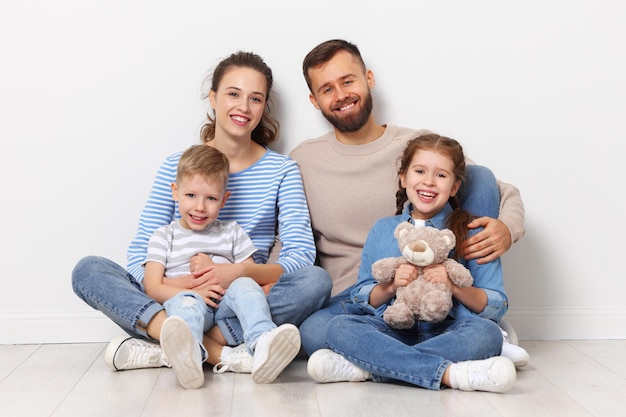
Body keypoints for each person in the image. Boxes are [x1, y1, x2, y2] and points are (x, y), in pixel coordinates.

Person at [71, 51, 332, 379]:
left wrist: (240, 273)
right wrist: (178, 285)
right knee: (89, 270)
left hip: (240, 299)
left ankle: (175, 346)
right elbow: (140, 254)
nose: (243, 107)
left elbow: (302, 255)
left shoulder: (282, 170)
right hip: (174, 297)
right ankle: (216, 351)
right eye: (233, 94)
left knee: (316, 281)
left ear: (264, 107)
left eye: (255, 98)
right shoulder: (178, 166)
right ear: (213, 97)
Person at [290, 39, 529, 367]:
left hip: (439, 294)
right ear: (314, 100)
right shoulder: (303, 159)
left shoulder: (417, 147)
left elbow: (503, 191)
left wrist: (509, 227)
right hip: (361, 299)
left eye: (348, 81)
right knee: (315, 331)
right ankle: (445, 366)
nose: (341, 94)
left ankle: (369, 361)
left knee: (481, 176)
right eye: (327, 89)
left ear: (368, 79)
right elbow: (286, 232)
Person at [307, 133, 516, 392]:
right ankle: (451, 374)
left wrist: (454, 286)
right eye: (420, 171)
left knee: (487, 335)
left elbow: (495, 304)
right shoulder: (383, 229)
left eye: (441, 175)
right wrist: (392, 286)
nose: (429, 182)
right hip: (392, 327)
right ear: (404, 177)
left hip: (449, 330)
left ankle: (370, 368)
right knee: (339, 327)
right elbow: (361, 296)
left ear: (454, 187)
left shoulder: (472, 231)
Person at [143, 144, 300, 389]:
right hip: (189, 304)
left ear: (224, 199)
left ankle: (262, 343)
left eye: (211, 198)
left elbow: (248, 275)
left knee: (247, 285)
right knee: (189, 304)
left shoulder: (232, 232)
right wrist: (192, 290)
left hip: (226, 306)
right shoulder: (163, 236)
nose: (200, 207)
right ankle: (190, 355)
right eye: (191, 195)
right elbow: (152, 286)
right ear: (175, 192)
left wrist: (216, 269)